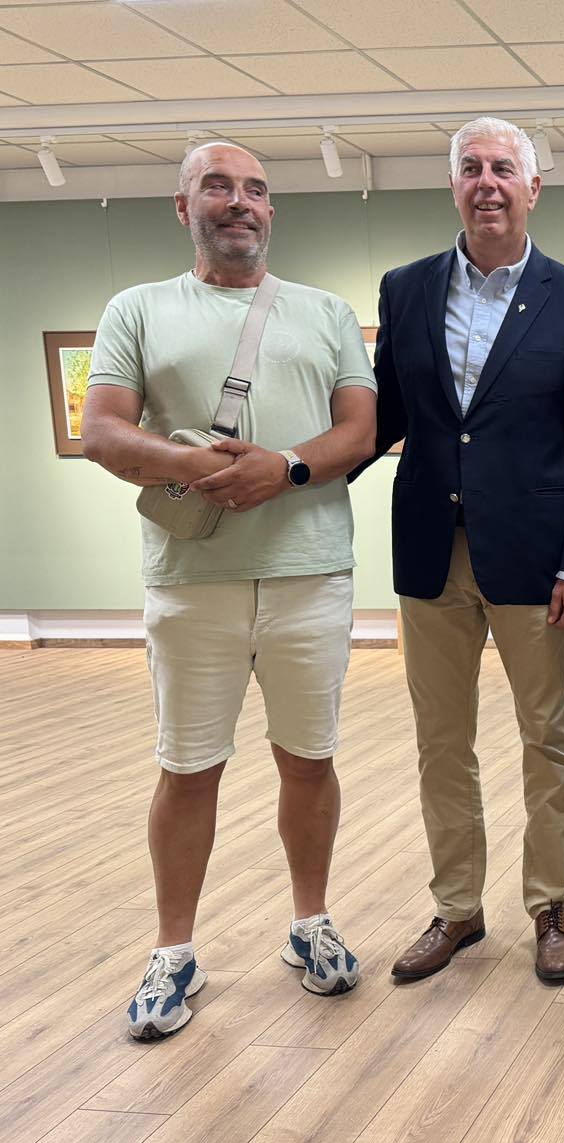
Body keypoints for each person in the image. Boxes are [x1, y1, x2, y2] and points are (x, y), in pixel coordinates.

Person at [83, 142, 376, 1040]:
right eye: (218, 186)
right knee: (187, 768)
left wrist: (281, 468)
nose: (239, 201)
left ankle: (310, 922)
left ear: (271, 211)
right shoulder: (137, 309)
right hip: (190, 583)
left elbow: (358, 432)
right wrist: (198, 467)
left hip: (309, 576)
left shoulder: (326, 313)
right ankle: (173, 952)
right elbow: (102, 431)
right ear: (185, 207)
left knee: (309, 760)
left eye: (255, 189)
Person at [353, 117, 564, 986]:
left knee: (546, 736)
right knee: (441, 741)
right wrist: (297, 467)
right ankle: (457, 909)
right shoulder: (406, 289)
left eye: (503, 168)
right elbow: (384, 417)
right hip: (432, 553)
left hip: (537, 563)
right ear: (453, 186)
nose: (487, 183)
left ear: (533, 188)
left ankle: (551, 905)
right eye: (470, 168)